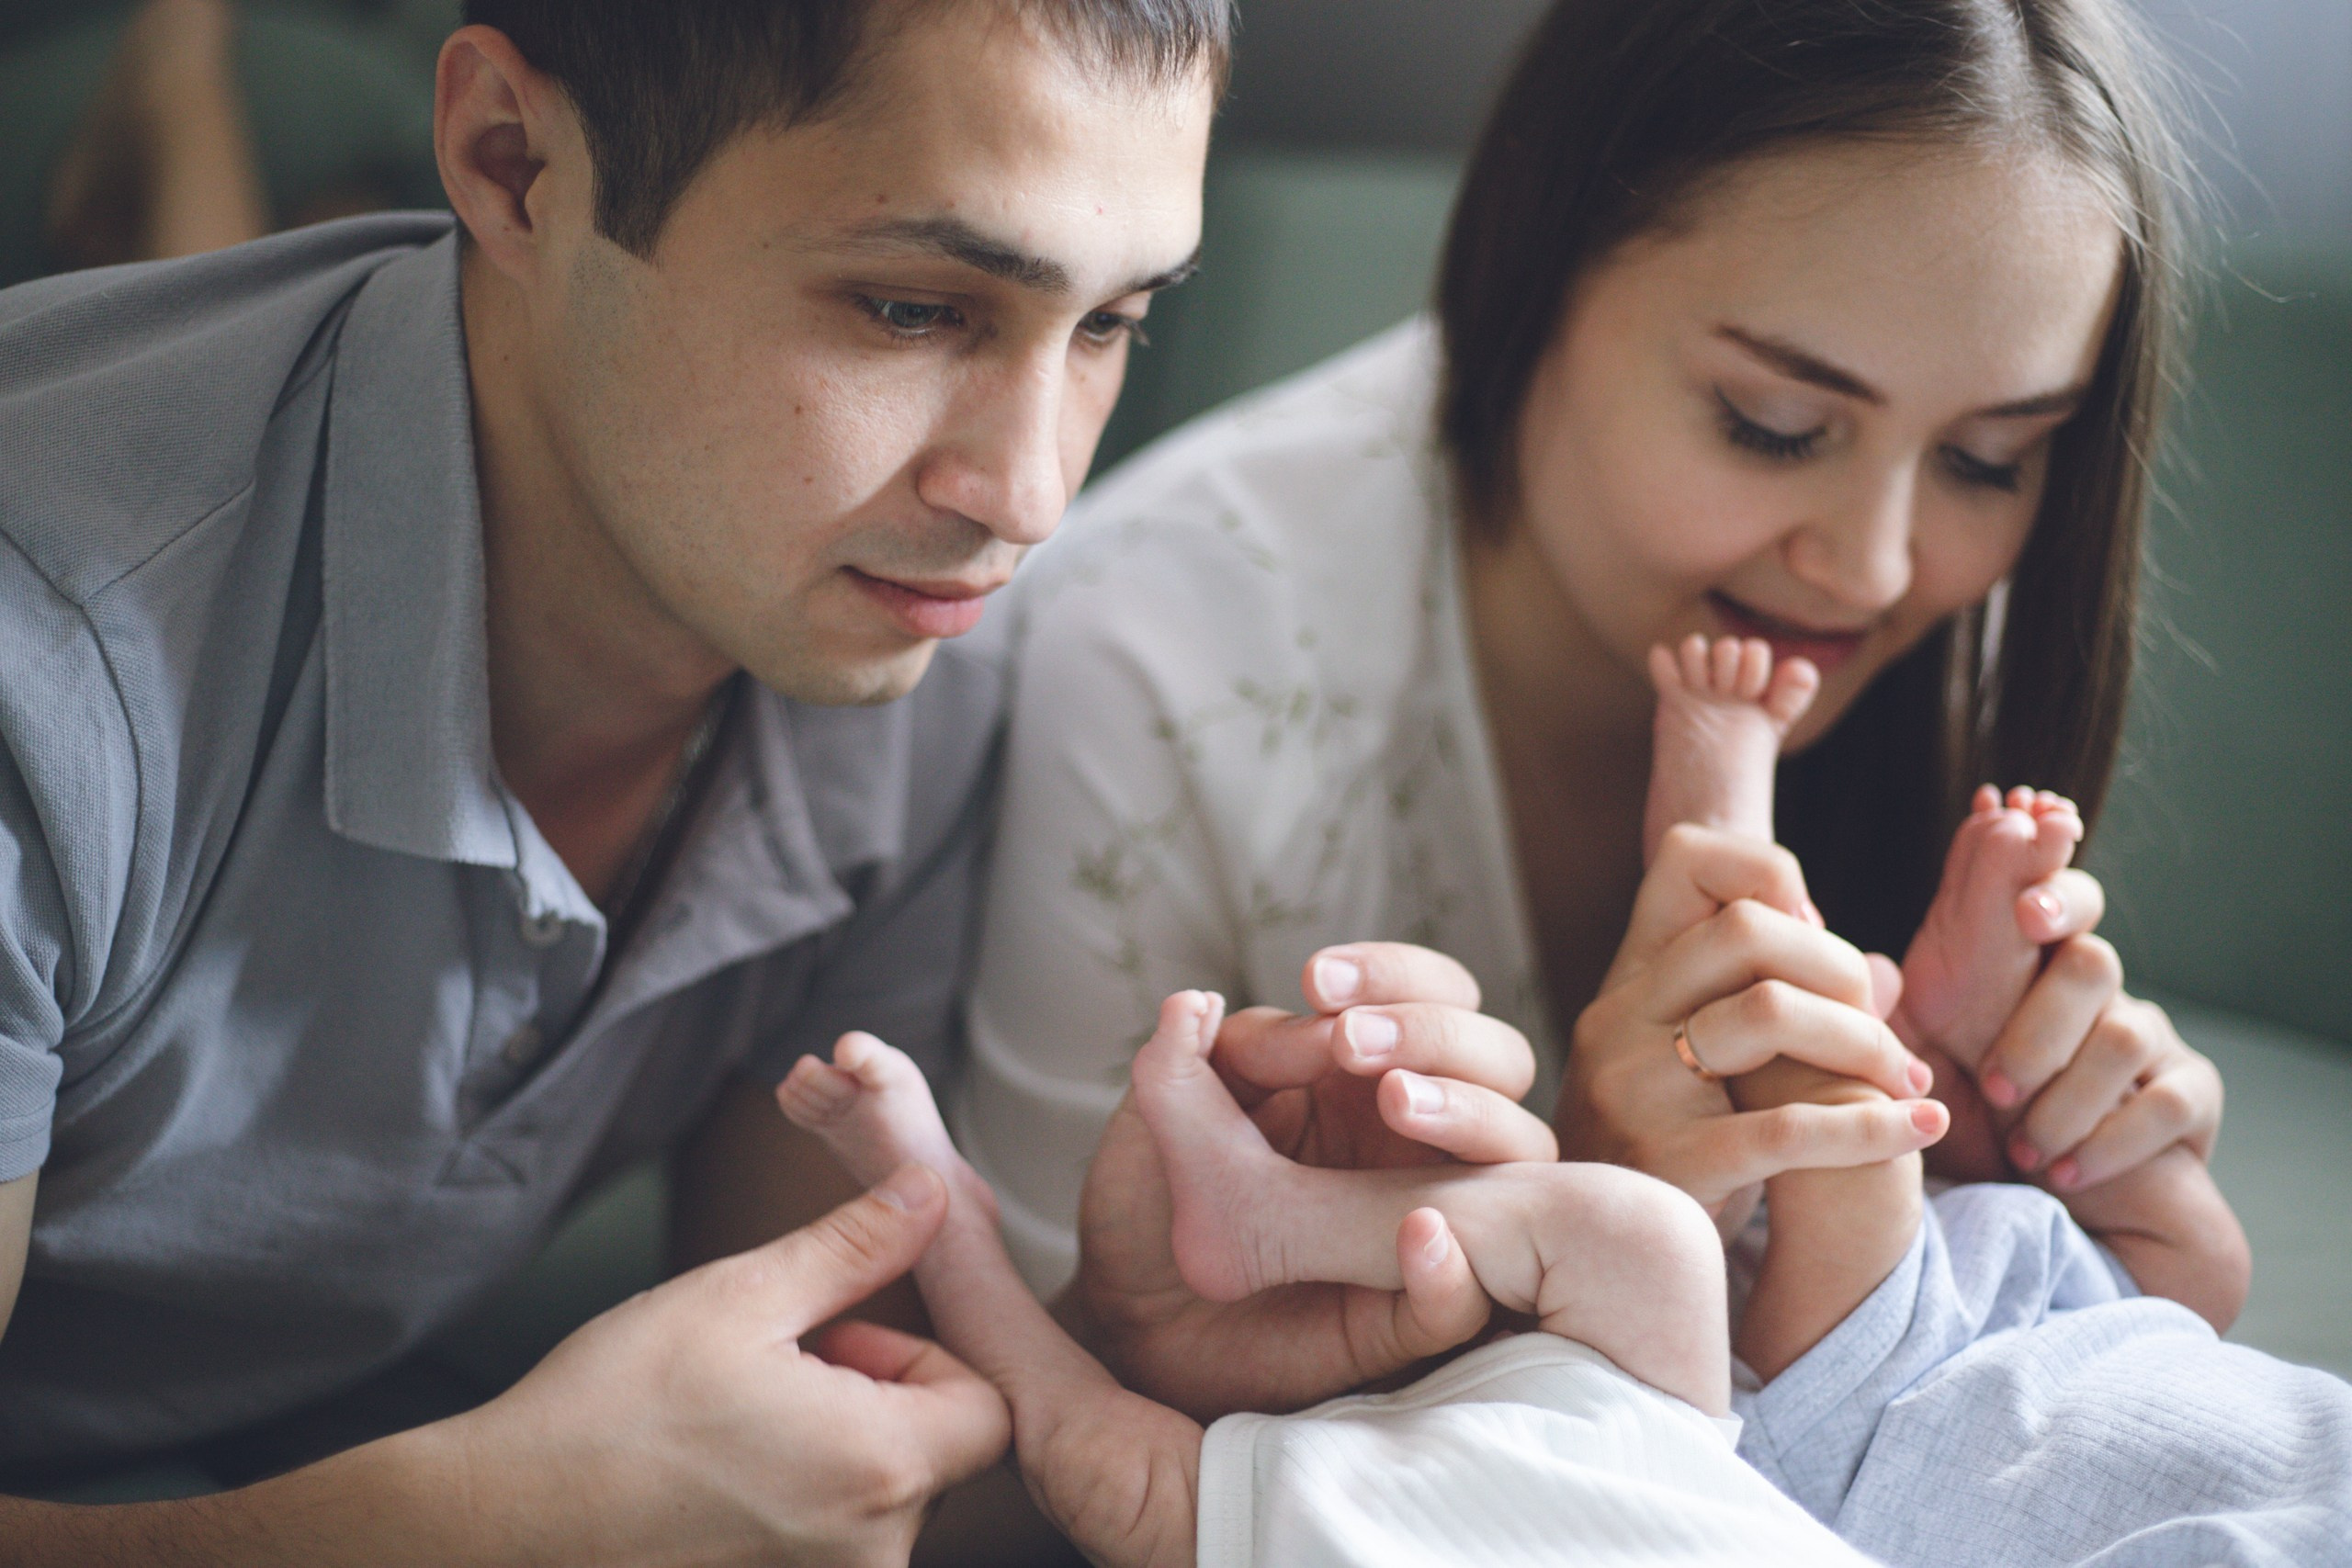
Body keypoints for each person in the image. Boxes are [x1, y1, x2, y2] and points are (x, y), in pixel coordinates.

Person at [0, 0, 1544, 1558]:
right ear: (515, 162)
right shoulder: (47, 673)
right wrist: (453, 1527)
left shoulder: (904, 677)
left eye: (1108, 327)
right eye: (906, 309)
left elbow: (810, 1454)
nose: (1028, 496)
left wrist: (1140, 1365)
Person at [960, 0, 2247, 1375]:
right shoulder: (1153, 662)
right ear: (1540, 266)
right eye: (1775, 427)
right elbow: (1052, 1404)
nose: (1876, 567)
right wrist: (1589, 1231)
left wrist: (2040, 1188)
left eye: (1991, 456)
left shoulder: (1922, 598)